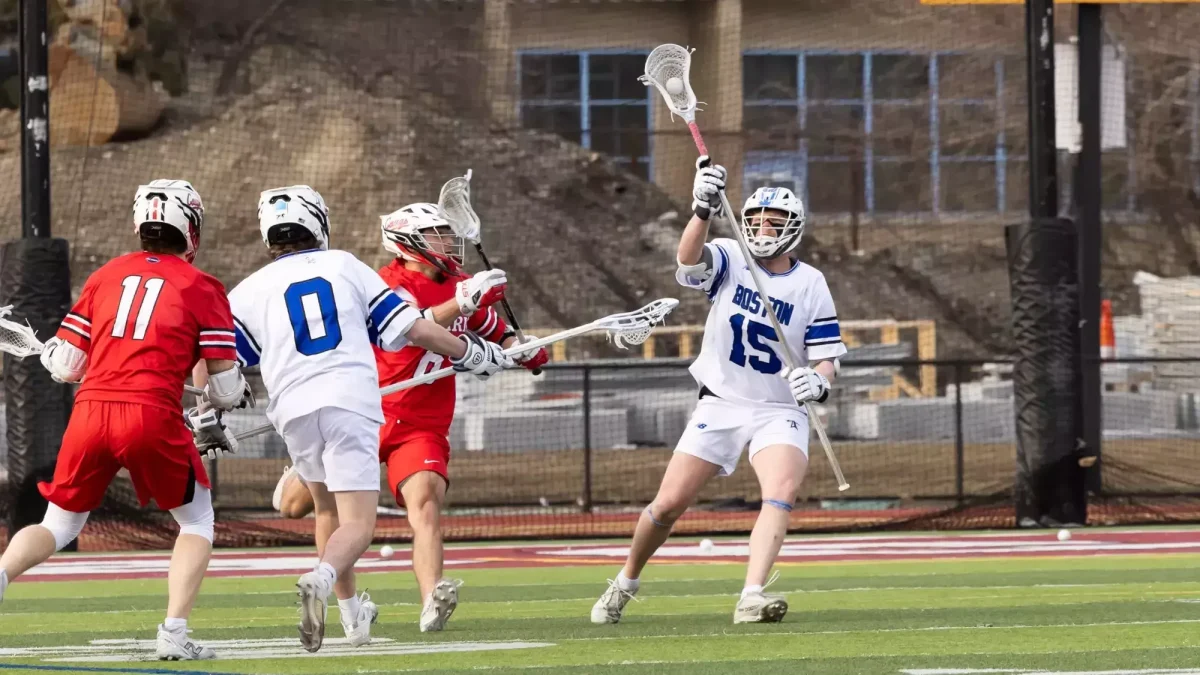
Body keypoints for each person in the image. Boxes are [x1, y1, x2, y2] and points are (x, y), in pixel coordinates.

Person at [194, 186, 516, 653]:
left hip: (290, 409)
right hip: (351, 401)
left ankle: (351, 619)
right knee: (359, 524)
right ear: (318, 223)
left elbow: (212, 358)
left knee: (325, 511)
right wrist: (472, 352)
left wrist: (211, 407)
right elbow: (412, 329)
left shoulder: (251, 289)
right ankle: (322, 578)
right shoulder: (346, 265)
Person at [590, 158, 846, 625]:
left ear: (794, 228)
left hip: (779, 408)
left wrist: (819, 381)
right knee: (667, 505)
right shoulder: (730, 255)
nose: (763, 228)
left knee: (780, 493)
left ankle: (751, 594)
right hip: (723, 401)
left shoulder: (811, 283)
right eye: (755, 220)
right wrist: (702, 209)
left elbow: (828, 356)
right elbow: (687, 260)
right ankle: (625, 580)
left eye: (775, 222)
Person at [0, 180, 249, 661]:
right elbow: (221, 386)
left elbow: (68, 367)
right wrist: (233, 395)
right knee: (196, 521)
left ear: (141, 223)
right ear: (189, 227)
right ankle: (174, 632)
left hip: (90, 412)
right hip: (150, 412)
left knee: (60, 524)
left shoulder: (106, 274)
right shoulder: (203, 286)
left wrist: (55, 354)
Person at [271, 201, 548, 632]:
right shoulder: (387, 283)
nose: (447, 240)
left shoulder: (458, 283)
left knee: (427, 505)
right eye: (437, 233)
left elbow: (497, 331)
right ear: (408, 243)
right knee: (296, 507)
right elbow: (405, 330)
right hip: (366, 413)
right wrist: (461, 301)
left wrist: (523, 346)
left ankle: (431, 600)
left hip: (421, 424)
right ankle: (297, 475)